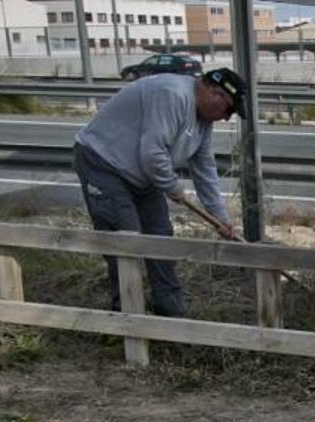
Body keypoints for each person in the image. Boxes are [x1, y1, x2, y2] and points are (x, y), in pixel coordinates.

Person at [73, 68, 246, 317]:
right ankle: (128, 320)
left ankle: (170, 314)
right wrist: (174, 187)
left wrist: (220, 217)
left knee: (160, 238)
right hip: (103, 164)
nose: (227, 118)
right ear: (214, 93)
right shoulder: (172, 95)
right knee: (127, 240)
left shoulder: (203, 120)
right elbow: (152, 154)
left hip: (143, 175)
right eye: (228, 110)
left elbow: (204, 166)